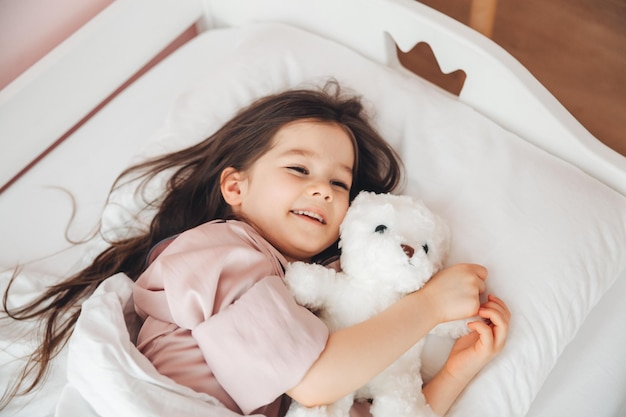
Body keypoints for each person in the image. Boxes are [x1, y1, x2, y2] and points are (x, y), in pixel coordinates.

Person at [2, 82, 509, 416]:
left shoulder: (309, 300)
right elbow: (315, 381)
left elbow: (343, 398)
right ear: (235, 187)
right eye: (299, 169)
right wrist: (428, 307)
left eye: (340, 184)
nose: (324, 191)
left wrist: (454, 373)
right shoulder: (223, 252)